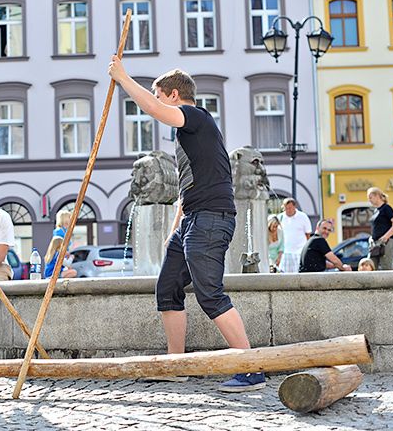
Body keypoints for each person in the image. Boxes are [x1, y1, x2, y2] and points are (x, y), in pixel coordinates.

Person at [108, 60, 265, 392]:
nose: (157, 102)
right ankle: (175, 365)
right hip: (193, 219)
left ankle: (251, 370)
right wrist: (173, 231)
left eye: (160, 96)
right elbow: (188, 187)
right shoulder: (188, 137)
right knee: (167, 289)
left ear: (174, 94)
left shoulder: (195, 118)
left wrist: (123, 79)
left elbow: (152, 108)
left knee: (210, 295)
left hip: (210, 218)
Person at [367, 187, 393, 270]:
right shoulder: (376, 210)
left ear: (377, 196)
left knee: (385, 267)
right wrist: (371, 238)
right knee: (371, 266)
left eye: (370, 197)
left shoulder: (386, 208)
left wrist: (386, 237)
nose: (369, 200)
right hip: (375, 244)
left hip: (386, 243)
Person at [278, 198, 312, 274]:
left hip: (299, 252)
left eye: (290, 208)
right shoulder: (280, 217)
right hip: (285, 253)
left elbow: (308, 235)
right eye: (286, 208)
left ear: (294, 207)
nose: (288, 210)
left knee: (299, 275)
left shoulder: (303, 216)